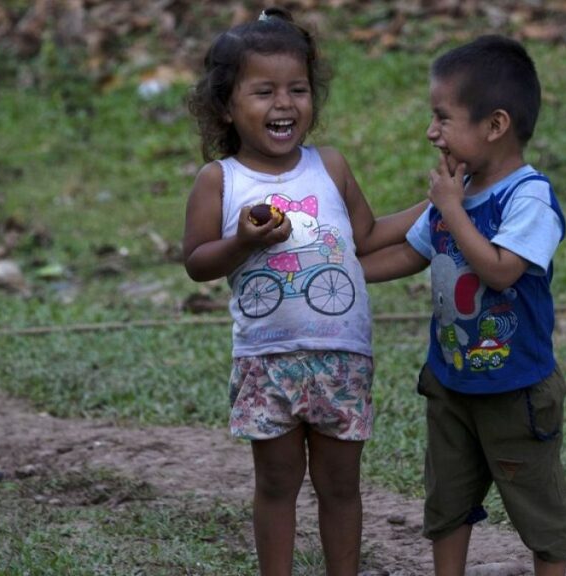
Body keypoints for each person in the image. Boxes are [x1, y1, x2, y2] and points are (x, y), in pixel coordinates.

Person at [181, 7, 424, 576]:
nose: (284, 104)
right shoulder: (221, 180)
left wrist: (437, 203)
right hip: (267, 360)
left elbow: (367, 235)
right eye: (263, 91)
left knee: (342, 488)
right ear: (226, 105)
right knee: (276, 485)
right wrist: (240, 240)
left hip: (342, 357)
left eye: (297, 89)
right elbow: (196, 263)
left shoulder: (330, 167)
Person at [360, 35, 566, 576]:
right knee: (446, 503)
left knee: (540, 511)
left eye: (443, 118)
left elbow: (502, 269)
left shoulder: (527, 198)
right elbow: (409, 252)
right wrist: (340, 272)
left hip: (516, 389)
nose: (431, 132)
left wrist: (452, 209)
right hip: (452, 382)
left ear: (495, 125)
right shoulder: (455, 190)